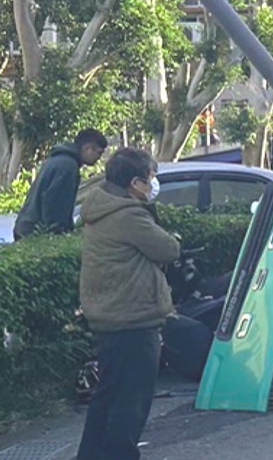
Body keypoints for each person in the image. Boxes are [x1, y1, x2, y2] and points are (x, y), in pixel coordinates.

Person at [76, 147, 181, 460]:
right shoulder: (129, 215)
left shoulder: (99, 209)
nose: (153, 184)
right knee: (131, 401)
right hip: (132, 317)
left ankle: (91, 455)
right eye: (150, 178)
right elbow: (168, 249)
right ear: (135, 183)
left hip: (109, 316)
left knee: (108, 396)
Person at [13, 129, 108, 240]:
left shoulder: (58, 159)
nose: (99, 158)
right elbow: (55, 206)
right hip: (34, 234)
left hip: (26, 228)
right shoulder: (67, 167)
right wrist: (58, 235)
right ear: (88, 148)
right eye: (99, 153)